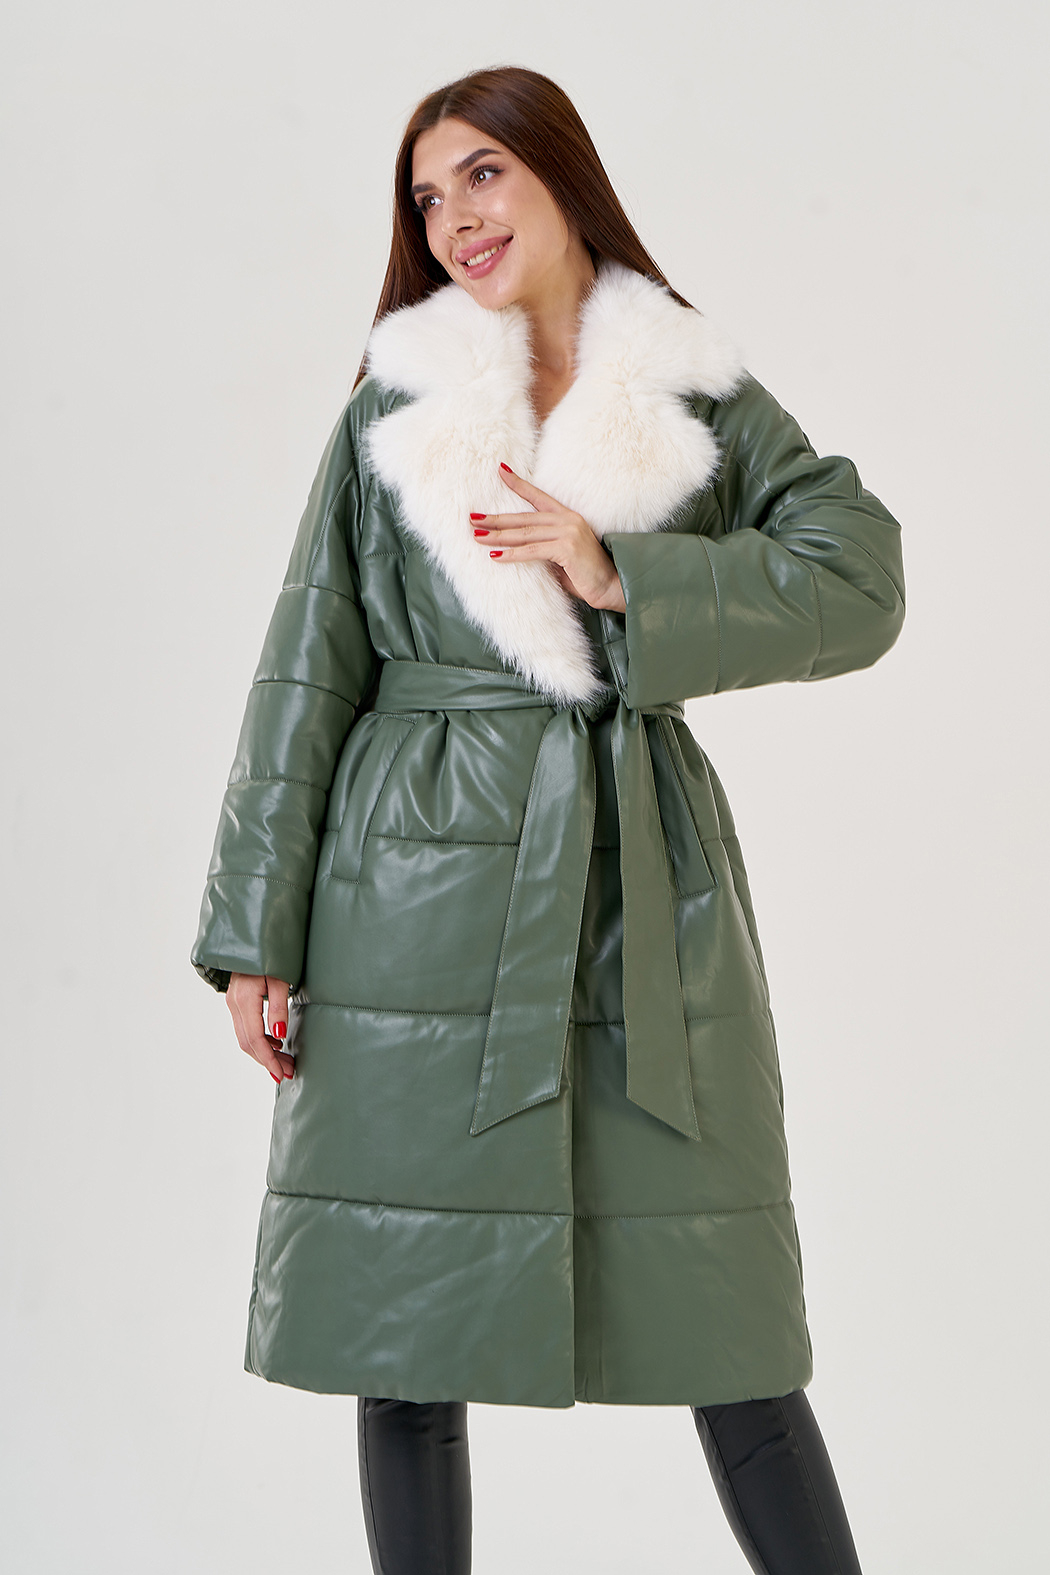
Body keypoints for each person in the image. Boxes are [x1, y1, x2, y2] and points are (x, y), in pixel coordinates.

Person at [192, 64, 904, 1575]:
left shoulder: (696, 389)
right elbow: (309, 661)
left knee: (731, 1326)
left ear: (560, 175)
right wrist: (256, 930)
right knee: (406, 1331)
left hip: (643, 886)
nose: (453, 217)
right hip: (406, 898)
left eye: (483, 174)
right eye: (426, 196)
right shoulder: (395, 401)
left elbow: (860, 579)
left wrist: (624, 576)